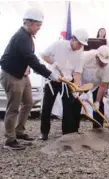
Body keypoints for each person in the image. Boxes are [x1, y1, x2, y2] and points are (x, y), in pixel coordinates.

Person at [0, 8, 61, 150]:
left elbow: (28, 59)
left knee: (28, 103)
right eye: (37, 25)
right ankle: (10, 140)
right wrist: (50, 74)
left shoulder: (27, 36)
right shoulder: (21, 37)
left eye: (40, 25)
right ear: (28, 22)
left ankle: (19, 131)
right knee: (13, 107)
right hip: (12, 75)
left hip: (22, 73)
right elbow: (31, 59)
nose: (39, 28)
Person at [39, 28, 89, 140]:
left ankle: (66, 133)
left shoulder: (80, 54)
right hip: (53, 78)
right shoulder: (59, 45)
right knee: (47, 105)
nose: (80, 46)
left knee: (68, 107)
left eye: (82, 44)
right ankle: (44, 132)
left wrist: (76, 88)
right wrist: (53, 62)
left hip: (67, 80)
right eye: (79, 43)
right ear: (73, 39)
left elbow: (77, 73)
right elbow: (44, 55)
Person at [80, 45, 109, 128]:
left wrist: (97, 102)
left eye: (106, 62)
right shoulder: (86, 56)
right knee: (75, 102)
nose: (104, 64)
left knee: (98, 105)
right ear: (97, 57)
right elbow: (77, 71)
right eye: (102, 62)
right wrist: (79, 89)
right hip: (82, 81)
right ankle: (73, 129)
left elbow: (102, 86)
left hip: (96, 85)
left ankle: (98, 129)